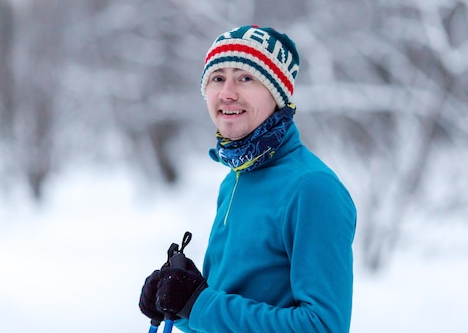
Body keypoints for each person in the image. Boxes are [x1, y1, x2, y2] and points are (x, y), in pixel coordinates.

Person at [139, 25, 357, 333]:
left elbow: (323, 327)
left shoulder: (312, 188)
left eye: (246, 78)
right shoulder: (234, 181)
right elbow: (223, 318)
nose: (227, 93)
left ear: (276, 94)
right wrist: (181, 304)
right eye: (217, 79)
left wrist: (198, 303)